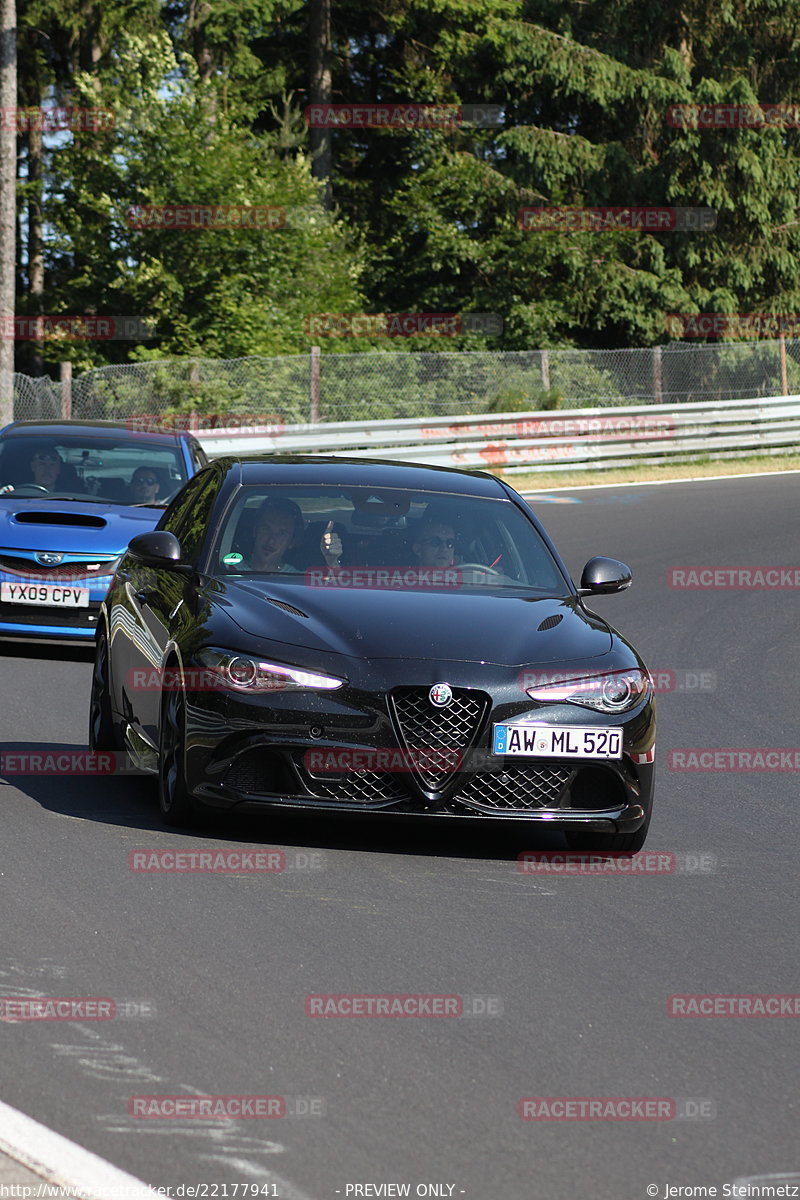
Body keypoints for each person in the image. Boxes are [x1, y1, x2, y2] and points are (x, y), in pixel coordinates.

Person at [244, 498, 342, 572]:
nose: (271, 540)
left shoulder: (298, 580)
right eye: (266, 529)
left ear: (292, 541)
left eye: (282, 533)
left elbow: (336, 593)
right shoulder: (230, 569)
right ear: (255, 531)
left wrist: (332, 563)